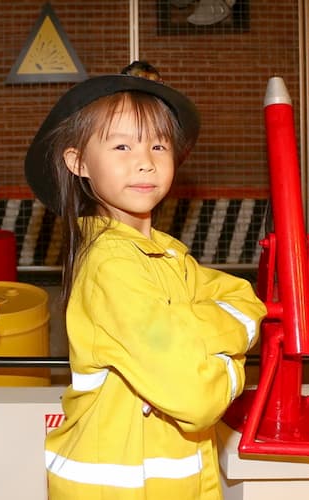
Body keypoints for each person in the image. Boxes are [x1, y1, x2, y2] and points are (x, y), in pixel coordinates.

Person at [25, 66, 267, 499]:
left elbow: (243, 298)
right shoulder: (112, 266)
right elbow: (197, 398)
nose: (145, 160)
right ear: (78, 161)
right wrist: (231, 367)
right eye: (121, 145)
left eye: (159, 144)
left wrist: (188, 336)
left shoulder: (166, 252)